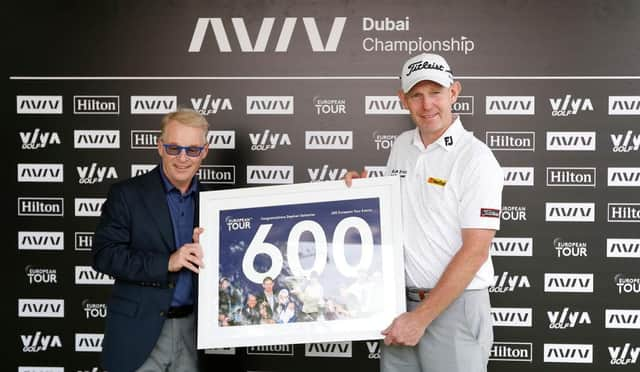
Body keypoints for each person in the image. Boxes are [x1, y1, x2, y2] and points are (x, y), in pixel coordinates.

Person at [345, 53, 503, 372]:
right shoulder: (402, 145)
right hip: (399, 307)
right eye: (417, 95)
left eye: (435, 93)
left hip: (453, 308)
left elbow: (475, 251)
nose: (427, 104)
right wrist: (361, 196)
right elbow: (395, 217)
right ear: (403, 100)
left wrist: (421, 318)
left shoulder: (476, 158)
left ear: (454, 93)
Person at [93, 108, 210, 372]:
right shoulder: (126, 194)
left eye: (192, 150)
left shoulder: (214, 203)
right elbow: (104, 255)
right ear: (159, 147)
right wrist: (167, 262)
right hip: (138, 333)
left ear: (204, 151)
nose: (182, 158)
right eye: (173, 148)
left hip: (193, 333)